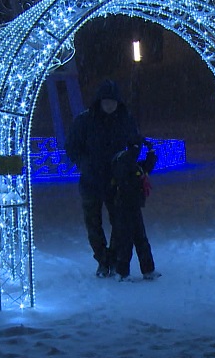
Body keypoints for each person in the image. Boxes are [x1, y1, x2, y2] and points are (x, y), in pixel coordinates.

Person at [65, 79, 140, 278]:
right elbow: (72, 146)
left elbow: (135, 143)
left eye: (113, 101)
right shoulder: (85, 121)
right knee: (93, 224)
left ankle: (113, 258)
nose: (109, 105)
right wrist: (84, 163)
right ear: (99, 101)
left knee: (119, 222)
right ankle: (102, 259)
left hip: (116, 180)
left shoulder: (124, 119)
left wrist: (126, 162)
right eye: (106, 101)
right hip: (91, 180)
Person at [109, 138, 161, 282]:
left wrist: (151, 151)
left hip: (133, 206)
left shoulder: (132, 164)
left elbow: (146, 167)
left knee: (140, 238)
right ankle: (122, 272)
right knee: (126, 240)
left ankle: (148, 269)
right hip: (125, 207)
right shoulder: (123, 161)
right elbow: (132, 174)